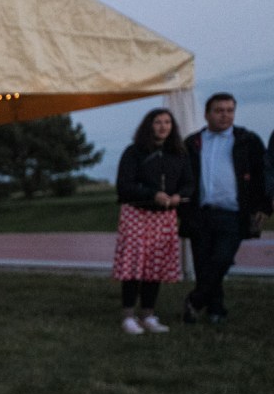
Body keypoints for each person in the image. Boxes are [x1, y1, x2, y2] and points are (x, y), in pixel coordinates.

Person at [177, 93, 270, 325]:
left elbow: (262, 174)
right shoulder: (192, 143)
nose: (225, 115)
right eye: (219, 111)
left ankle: (195, 300)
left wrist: (263, 206)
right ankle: (216, 310)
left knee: (221, 259)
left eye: (229, 110)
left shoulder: (248, 141)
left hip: (233, 213)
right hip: (200, 213)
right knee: (204, 264)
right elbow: (182, 177)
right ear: (207, 114)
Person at [112, 109, 194, 334]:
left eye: (167, 122)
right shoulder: (134, 152)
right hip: (137, 214)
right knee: (134, 267)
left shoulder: (179, 153)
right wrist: (152, 194)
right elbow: (124, 186)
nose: (163, 126)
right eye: (158, 122)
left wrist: (179, 196)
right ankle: (128, 316)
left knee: (154, 267)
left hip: (164, 217)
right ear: (149, 125)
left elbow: (189, 183)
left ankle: (148, 314)